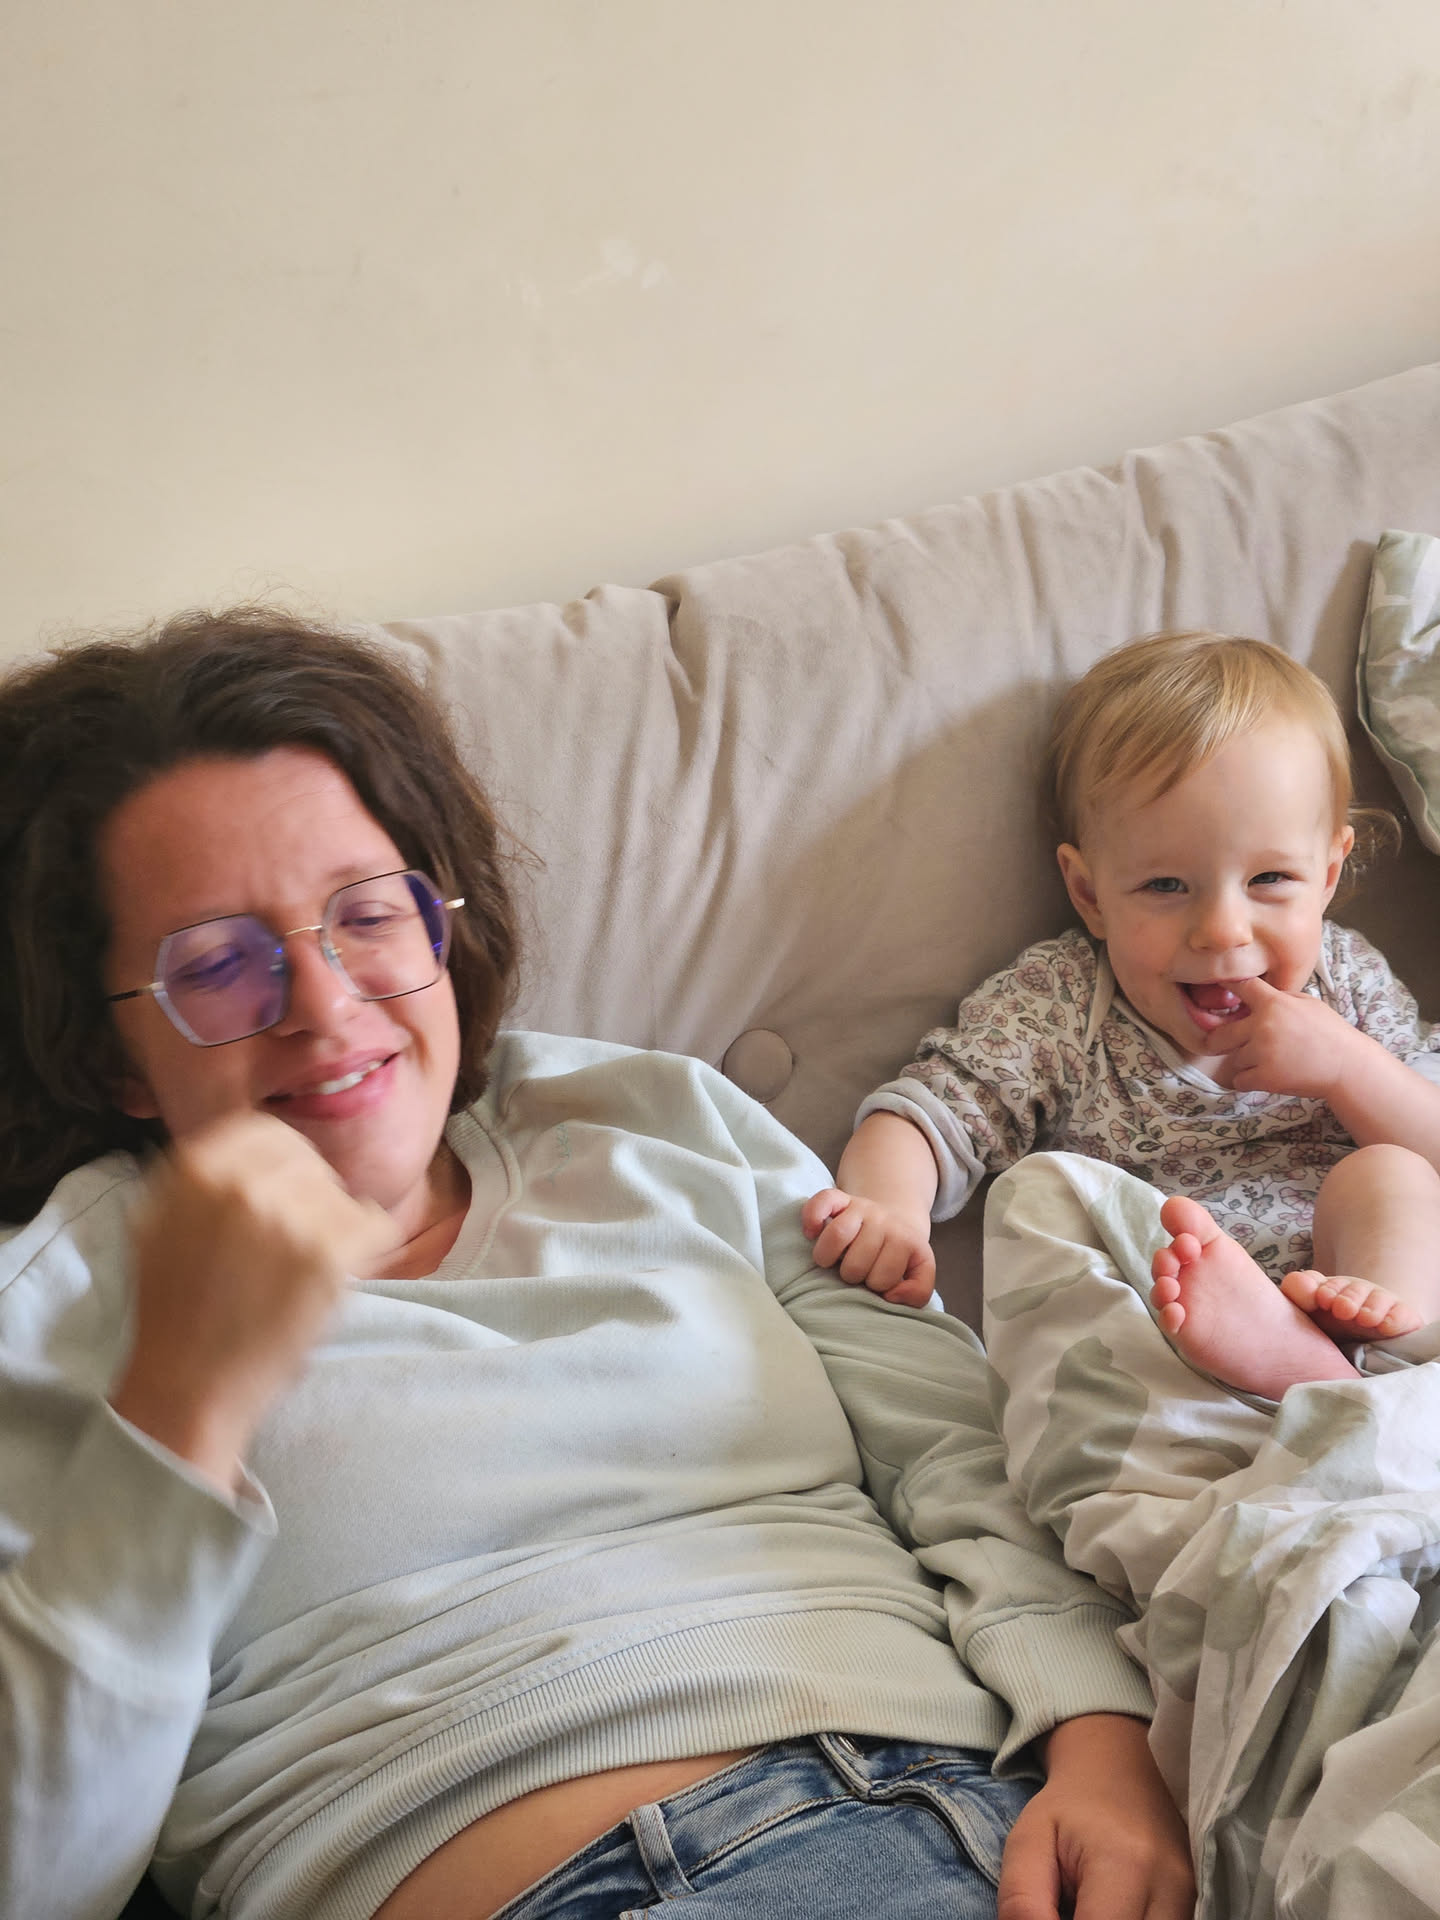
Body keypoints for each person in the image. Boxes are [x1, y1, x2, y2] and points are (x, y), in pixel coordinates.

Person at [0, 608, 1194, 1920]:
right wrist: (179, 1411)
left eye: (368, 915)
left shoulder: (657, 1119)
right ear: (112, 1052)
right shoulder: (49, 1310)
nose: (326, 1007)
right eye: (220, 963)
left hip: (964, 1819)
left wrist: (1103, 1739)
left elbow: (958, 1454)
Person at [803, 630, 1440, 1401]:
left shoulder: (1347, 985)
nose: (1223, 931)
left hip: (1360, 1321)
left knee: (1390, 1175)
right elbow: (929, 1114)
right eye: (1166, 886)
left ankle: (1365, 1380)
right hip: (1162, 1344)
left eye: (1270, 878)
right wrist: (887, 1212)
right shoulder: (1066, 1002)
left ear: (1329, 872)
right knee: (1042, 1197)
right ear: (1090, 893)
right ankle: (1317, 1392)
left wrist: (1348, 1067)